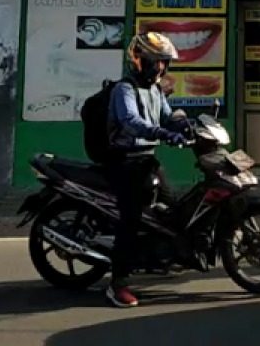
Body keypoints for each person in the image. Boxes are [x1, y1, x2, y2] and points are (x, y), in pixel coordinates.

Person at [104, 31, 192, 309]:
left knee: (170, 206)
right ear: (139, 61)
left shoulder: (155, 90)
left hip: (146, 159)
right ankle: (118, 283)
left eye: (164, 63)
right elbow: (131, 121)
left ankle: (158, 256)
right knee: (131, 219)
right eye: (157, 62)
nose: (161, 68)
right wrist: (162, 133)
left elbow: (167, 115)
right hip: (125, 161)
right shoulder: (124, 89)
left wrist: (187, 125)